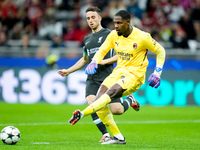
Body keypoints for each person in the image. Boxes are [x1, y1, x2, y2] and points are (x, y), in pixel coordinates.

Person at [69, 10, 166, 144]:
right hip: (118, 72)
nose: (116, 26)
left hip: (134, 75)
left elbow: (160, 51)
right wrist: (94, 61)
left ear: (128, 22)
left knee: (108, 95)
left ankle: (81, 114)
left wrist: (157, 72)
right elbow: (102, 50)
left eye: (119, 23)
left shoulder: (142, 37)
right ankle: (118, 137)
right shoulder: (114, 35)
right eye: (115, 23)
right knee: (99, 102)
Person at [58, 7, 140, 143]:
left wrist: (102, 61)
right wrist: (69, 70)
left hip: (108, 77)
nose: (91, 20)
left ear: (100, 18)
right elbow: (85, 59)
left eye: (93, 17)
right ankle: (107, 134)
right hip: (92, 78)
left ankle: (130, 100)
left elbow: (121, 55)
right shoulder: (87, 38)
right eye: (88, 18)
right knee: (92, 103)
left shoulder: (111, 34)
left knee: (116, 110)